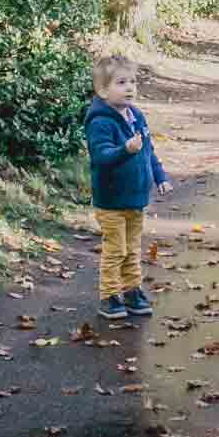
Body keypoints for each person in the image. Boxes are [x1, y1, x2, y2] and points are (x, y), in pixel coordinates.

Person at [83, 54, 172, 320]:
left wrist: (160, 176)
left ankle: (132, 290)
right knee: (115, 250)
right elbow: (101, 157)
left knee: (133, 249)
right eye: (121, 82)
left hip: (136, 199)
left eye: (132, 81)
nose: (130, 87)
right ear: (102, 90)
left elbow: (148, 152)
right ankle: (110, 295)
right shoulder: (100, 122)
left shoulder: (136, 116)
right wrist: (124, 149)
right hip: (111, 201)